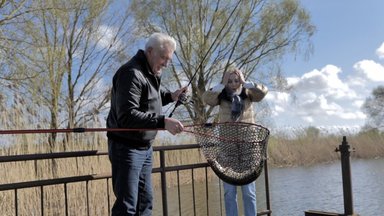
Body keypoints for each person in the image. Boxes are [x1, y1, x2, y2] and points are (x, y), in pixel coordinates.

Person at [106, 32, 186, 216]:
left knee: (145, 203)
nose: (166, 64)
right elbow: (127, 116)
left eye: (169, 59)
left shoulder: (150, 72)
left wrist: (171, 96)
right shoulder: (131, 73)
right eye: (164, 58)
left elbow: (151, 99)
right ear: (150, 51)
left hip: (145, 148)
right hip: (126, 149)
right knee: (127, 207)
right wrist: (163, 122)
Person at [202, 67, 268, 216]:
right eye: (229, 81)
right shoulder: (221, 95)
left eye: (236, 80)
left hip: (248, 147)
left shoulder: (249, 93)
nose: (233, 84)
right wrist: (221, 84)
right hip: (228, 147)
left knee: (248, 192)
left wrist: (245, 83)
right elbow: (206, 98)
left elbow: (263, 92)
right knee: (229, 192)